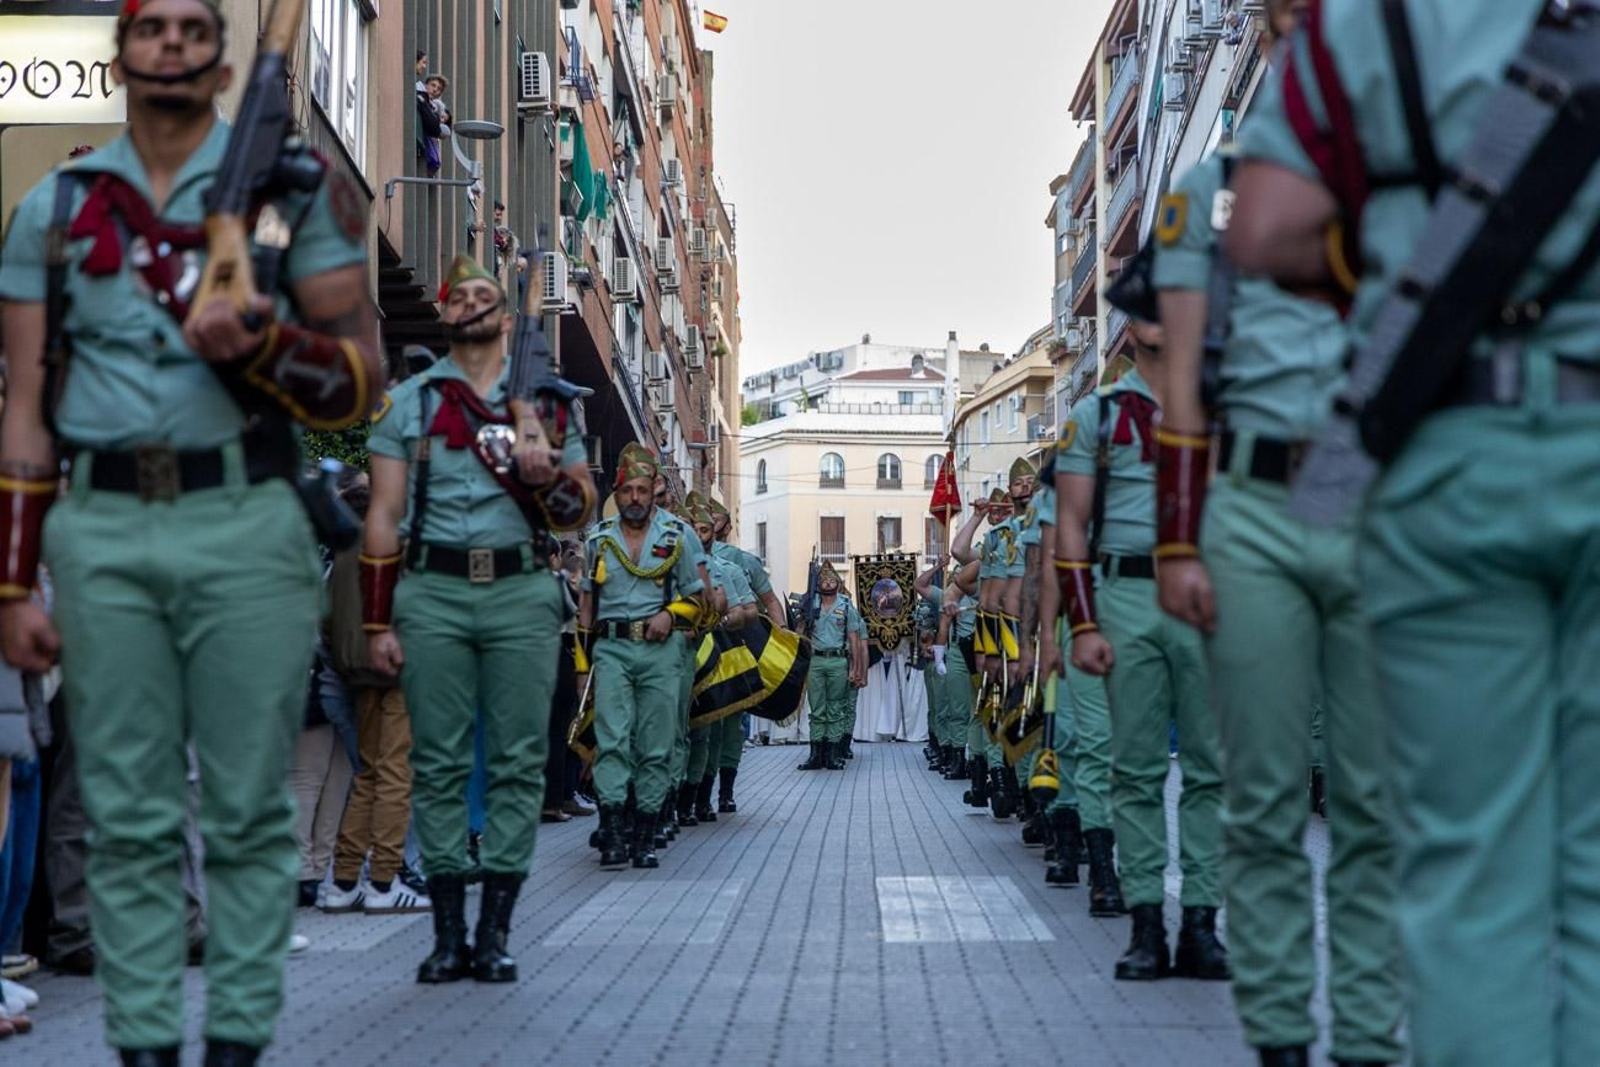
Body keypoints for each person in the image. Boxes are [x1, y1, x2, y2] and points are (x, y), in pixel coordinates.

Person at [0, 0, 381, 1061]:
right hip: (102, 522)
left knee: (249, 807)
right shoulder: (56, 208)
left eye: (192, 26)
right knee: (126, 811)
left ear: (222, 62)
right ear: (120, 56)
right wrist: (14, 583)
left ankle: (238, 1042)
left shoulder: (295, 193)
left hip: (247, 516)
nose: (170, 40)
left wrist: (262, 344)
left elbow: (361, 384)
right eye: (149, 25)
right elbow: (26, 410)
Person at [1227, 1, 1600, 1062]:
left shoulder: (1364, 26)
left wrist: (1393, 256)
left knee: (1469, 870)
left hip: (1453, 459)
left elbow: (1262, 228)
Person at [1150, 2, 1403, 1062]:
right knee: (1257, 798)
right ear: (1260, 35)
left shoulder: (1405, 170)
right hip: (1249, 506)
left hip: (1378, 500)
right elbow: (1179, 385)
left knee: (1376, 802)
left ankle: (1370, 1045)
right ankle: (1279, 1041)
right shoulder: (1206, 190)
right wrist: (1177, 540)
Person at [364, 254, 595, 984]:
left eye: (483, 294)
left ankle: (494, 931)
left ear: (503, 316)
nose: (469, 303)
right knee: (436, 760)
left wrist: (546, 470)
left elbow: (582, 509)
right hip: (430, 590)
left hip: (522, 591)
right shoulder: (411, 403)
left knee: (519, 762)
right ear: (445, 313)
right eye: (456, 294)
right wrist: (378, 624)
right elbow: (382, 516)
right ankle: (446, 935)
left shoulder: (552, 405)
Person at [1055, 319, 1228, 983]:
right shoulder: (1091, 416)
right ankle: (1147, 923)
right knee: (1135, 767)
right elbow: (1070, 525)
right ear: (1129, 331)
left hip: (1205, 589)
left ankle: (1203, 925)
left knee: (1209, 766)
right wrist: (1083, 623)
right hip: (1124, 590)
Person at [579, 445, 706, 869]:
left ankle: (646, 832)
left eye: (641, 490)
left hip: (661, 653)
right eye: (627, 490)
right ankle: (614, 829)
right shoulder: (598, 539)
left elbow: (699, 599)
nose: (634, 498)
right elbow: (586, 610)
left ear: (653, 492)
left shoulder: (677, 536)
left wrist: (671, 615)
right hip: (612, 648)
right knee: (612, 741)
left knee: (655, 745)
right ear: (616, 493)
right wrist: (584, 670)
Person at [323, 474, 429, 916]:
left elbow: (326, 614)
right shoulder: (393, 537)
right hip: (397, 664)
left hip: (355, 668)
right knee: (395, 774)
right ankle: (384, 881)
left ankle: (344, 880)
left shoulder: (346, 544)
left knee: (368, 773)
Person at [795, 561, 861, 771]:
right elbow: (799, 633)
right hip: (815, 660)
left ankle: (832, 754)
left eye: (832, 580)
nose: (828, 583)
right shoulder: (810, 603)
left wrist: (854, 668)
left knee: (835, 707)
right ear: (819, 584)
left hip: (838, 660)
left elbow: (854, 640)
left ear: (838, 584)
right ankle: (816, 755)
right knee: (817, 708)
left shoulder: (845, 605)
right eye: (824, 580)